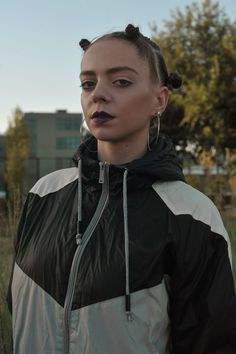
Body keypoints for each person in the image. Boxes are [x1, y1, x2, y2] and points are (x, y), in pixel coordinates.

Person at [7, 24, 236, 354]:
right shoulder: (44, 193)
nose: (98, 93)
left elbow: (212, 342)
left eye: (121, 81)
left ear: (160, 99)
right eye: (88, 83)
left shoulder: (192, 215)